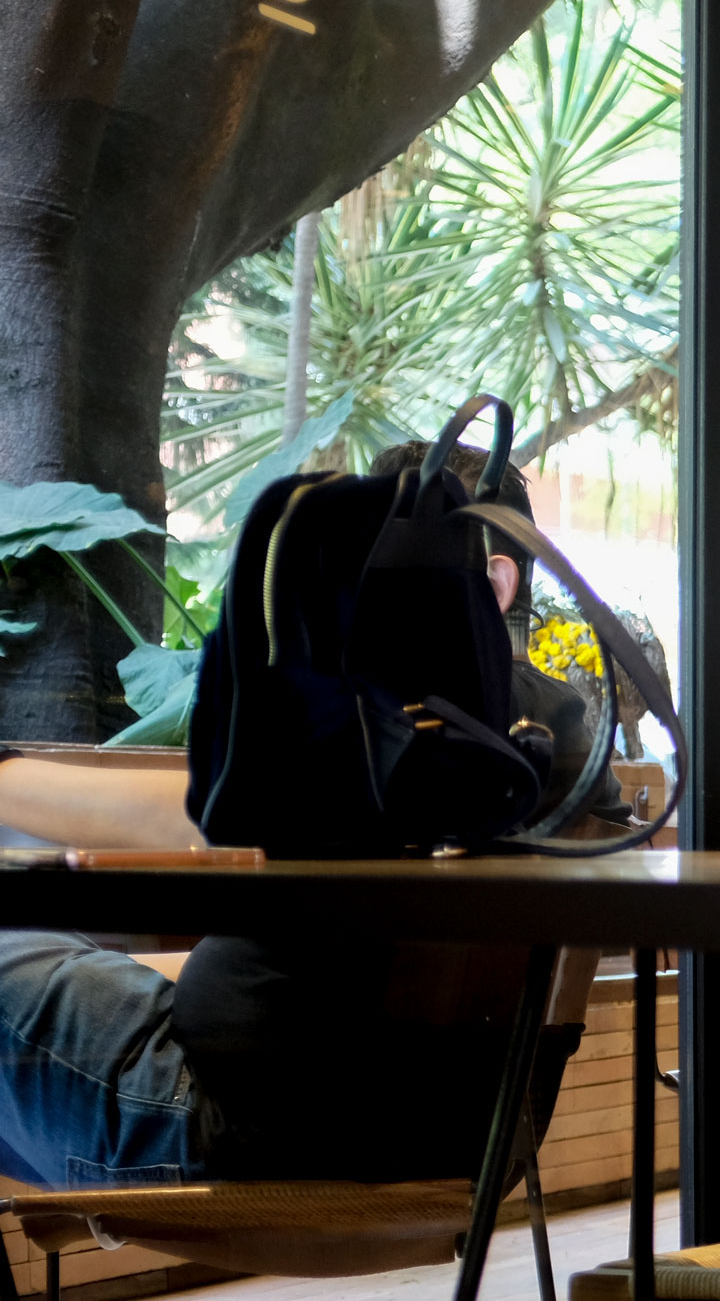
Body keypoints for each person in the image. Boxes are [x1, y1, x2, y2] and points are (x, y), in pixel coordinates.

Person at [0, 444, 627, 1189]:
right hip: (461, 1146)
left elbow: (208, 813)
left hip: (246, 1132)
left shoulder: (406, 728)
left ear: (492, 580)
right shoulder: (564, 755)